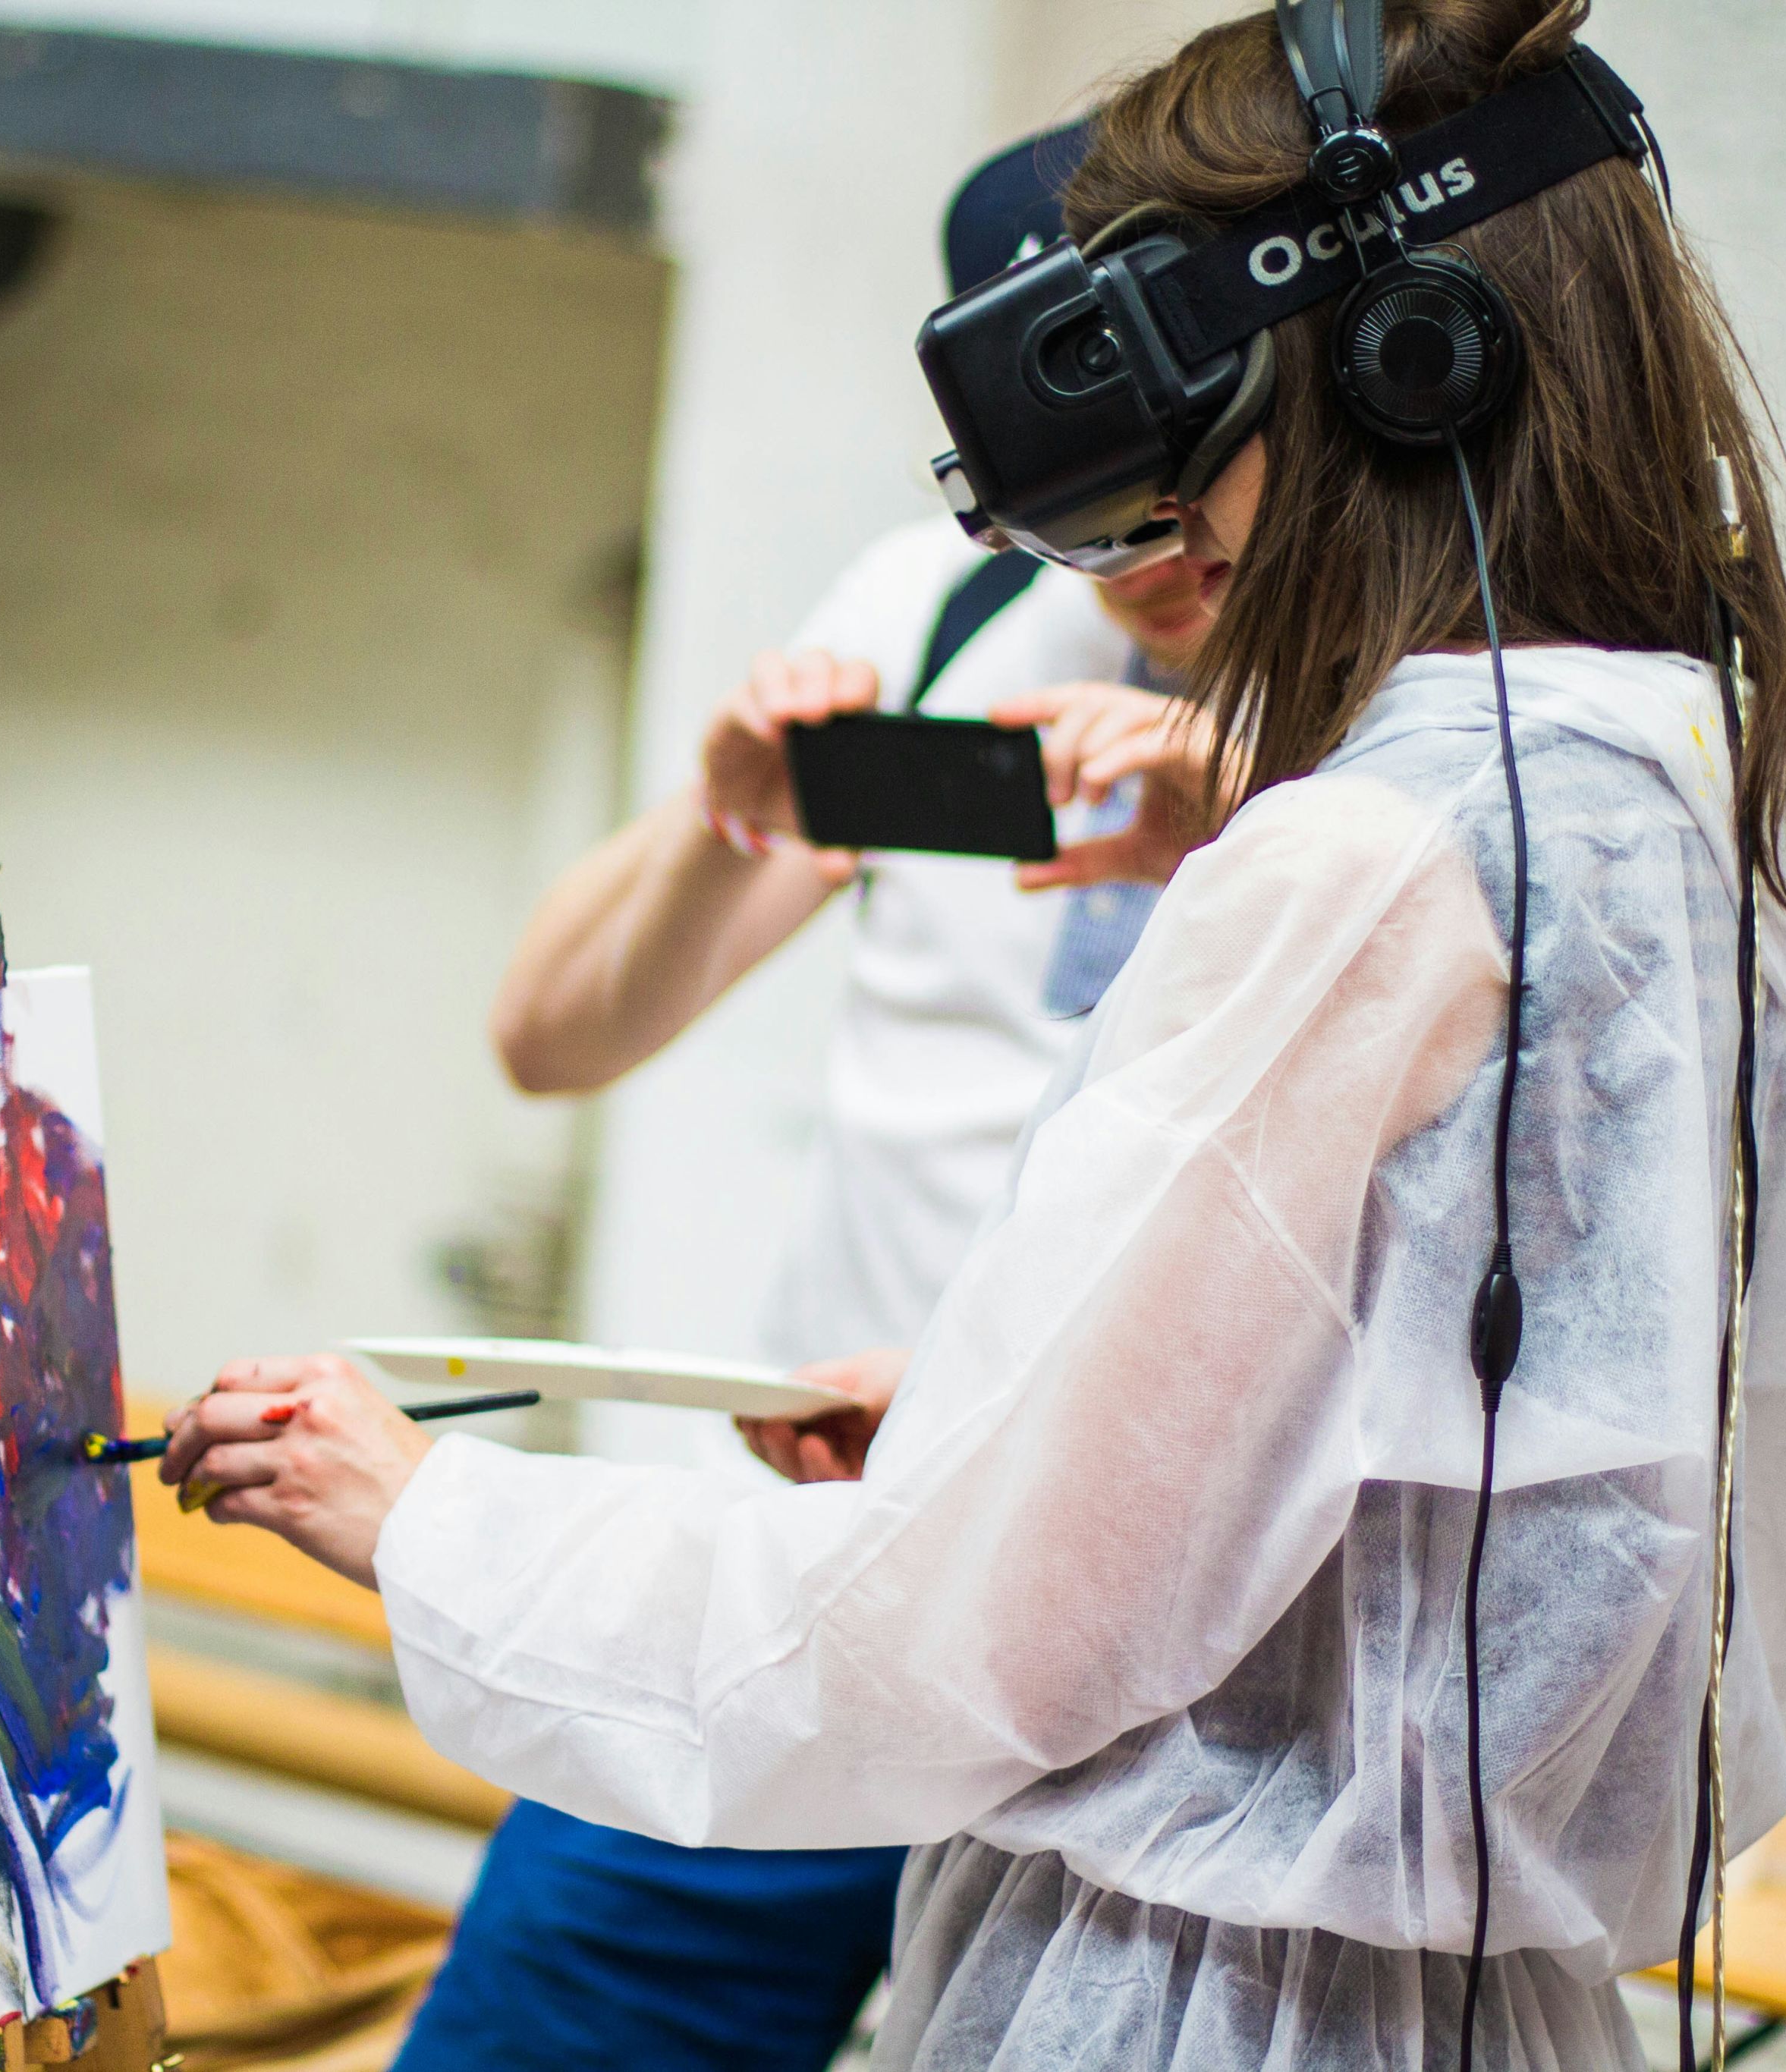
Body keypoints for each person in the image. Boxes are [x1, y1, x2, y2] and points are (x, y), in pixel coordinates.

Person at [156, 5, 1786, 2065]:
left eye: (1184, 461)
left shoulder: (1367, 860)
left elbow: (957, 1643)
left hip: (1185, 1995)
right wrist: (1010, 1415)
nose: (1155, 546)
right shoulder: (1712, 785)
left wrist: (421, 1508)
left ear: (1403, 371)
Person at [398, 126, 1222, 2072]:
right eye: (1068, 509)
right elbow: (550, 1037)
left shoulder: (1427, 711)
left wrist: (1249, 795)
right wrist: (726, 826)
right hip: (829, 1590)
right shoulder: (945, 610)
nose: (1137, 557)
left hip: (1165, 1694)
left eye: (1172, 497)